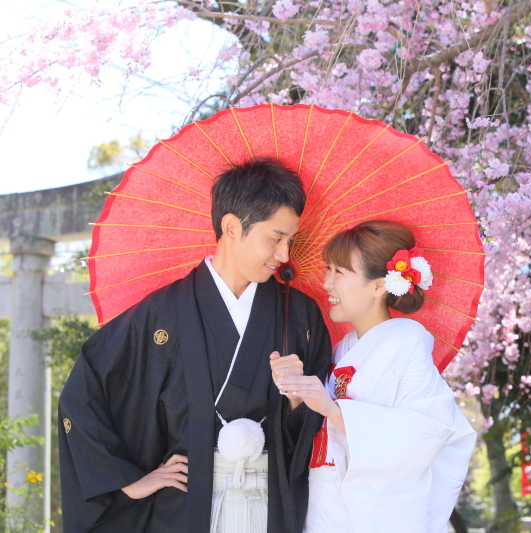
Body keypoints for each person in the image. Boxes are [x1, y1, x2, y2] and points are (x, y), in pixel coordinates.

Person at [58, 158, 331, 533]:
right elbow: (83, 392)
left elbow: (315, 431)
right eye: (275, 238)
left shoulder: (300, 315)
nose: (284, 255)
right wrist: (127, 480)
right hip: (184, 509)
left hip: (269, 508)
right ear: (231, 227)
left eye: (290, 241)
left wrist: (299, 400)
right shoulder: (163, 312)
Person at [277, 220, 477, 533]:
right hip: (322, 506)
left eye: (339, 272)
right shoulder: (341, 349)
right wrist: (296, 393)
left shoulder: (407, 342)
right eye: (328, 269)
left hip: (370, 516)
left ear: (378, 285)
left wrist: (334, 410)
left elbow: (422, 437)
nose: (327, 283)